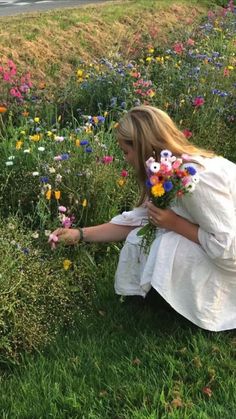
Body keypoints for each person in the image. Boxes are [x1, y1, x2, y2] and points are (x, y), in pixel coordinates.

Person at [51, 105, 236, 332]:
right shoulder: (171, 171)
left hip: (231, 260)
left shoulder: (196, 179)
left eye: (126, 152)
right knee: (143, 238)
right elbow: (138, 220)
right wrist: (79, 234)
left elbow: (229, 248)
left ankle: (211, 308)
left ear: (143, 148)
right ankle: (164, 300)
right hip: (221, 250)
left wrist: (174, 224)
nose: (125, 159)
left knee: (168, 243)